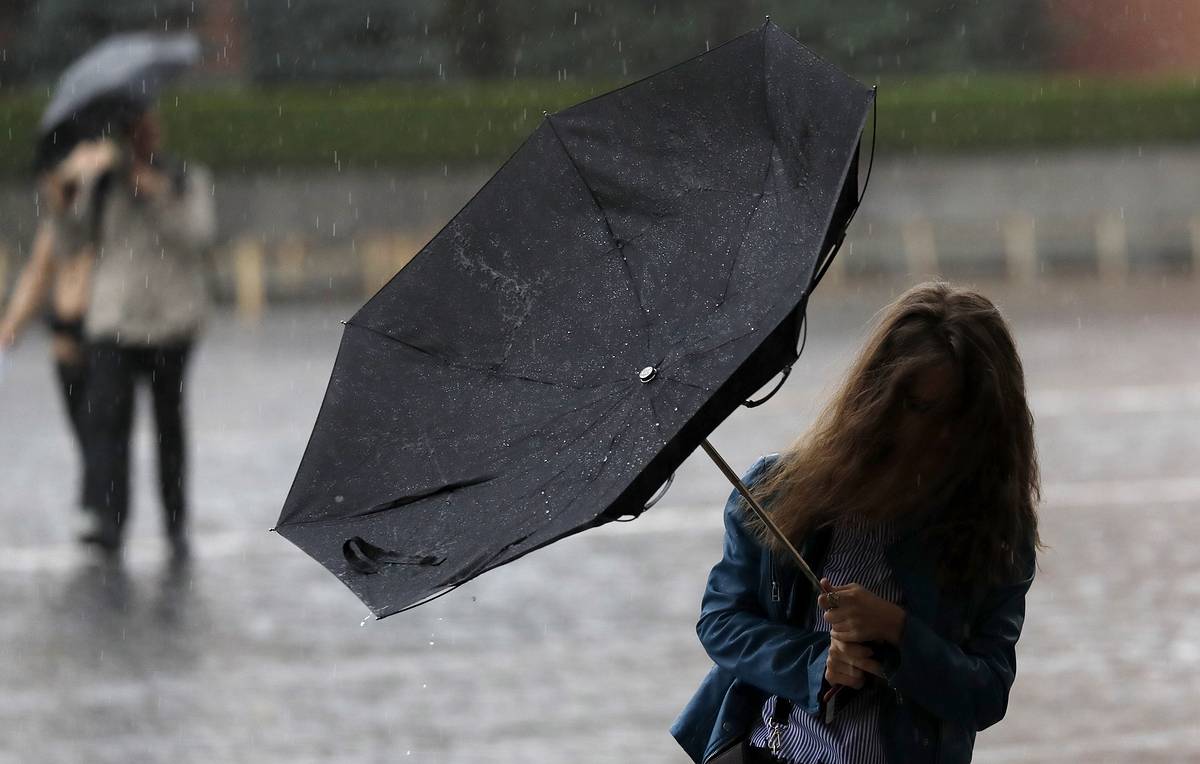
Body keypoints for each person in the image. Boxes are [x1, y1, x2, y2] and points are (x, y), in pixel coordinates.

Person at [671, 282, 1041, 764]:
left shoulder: (996, 533)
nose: (937, 434)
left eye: (959, 417)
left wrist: (899, 630)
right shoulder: (778, 490)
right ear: (879, 396)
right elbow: (722, 621)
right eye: (918, 409)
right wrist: (816, 663)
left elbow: (986, 693)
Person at [65, 107, 216, 559]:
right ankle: (111, 523)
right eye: (134, 131)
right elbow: (71, 240)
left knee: (169, 425)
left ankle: (175, 522)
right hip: (114, 323)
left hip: (171, 322)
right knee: (111, 424)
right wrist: (70, 189)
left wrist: (160, 195)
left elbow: (200, 235)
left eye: (149, 129)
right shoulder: (103, 182)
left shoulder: (186, 178)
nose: (143, 138)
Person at [0, 140, 119, 520]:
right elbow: (36, 275)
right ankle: (97, 498)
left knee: (101, 423)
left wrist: (83, 170)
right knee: (83, 424)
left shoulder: (103, 215)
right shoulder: (55, 229)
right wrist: (11, 325)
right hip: (67, 333)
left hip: (101, 328)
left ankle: (101, 503)